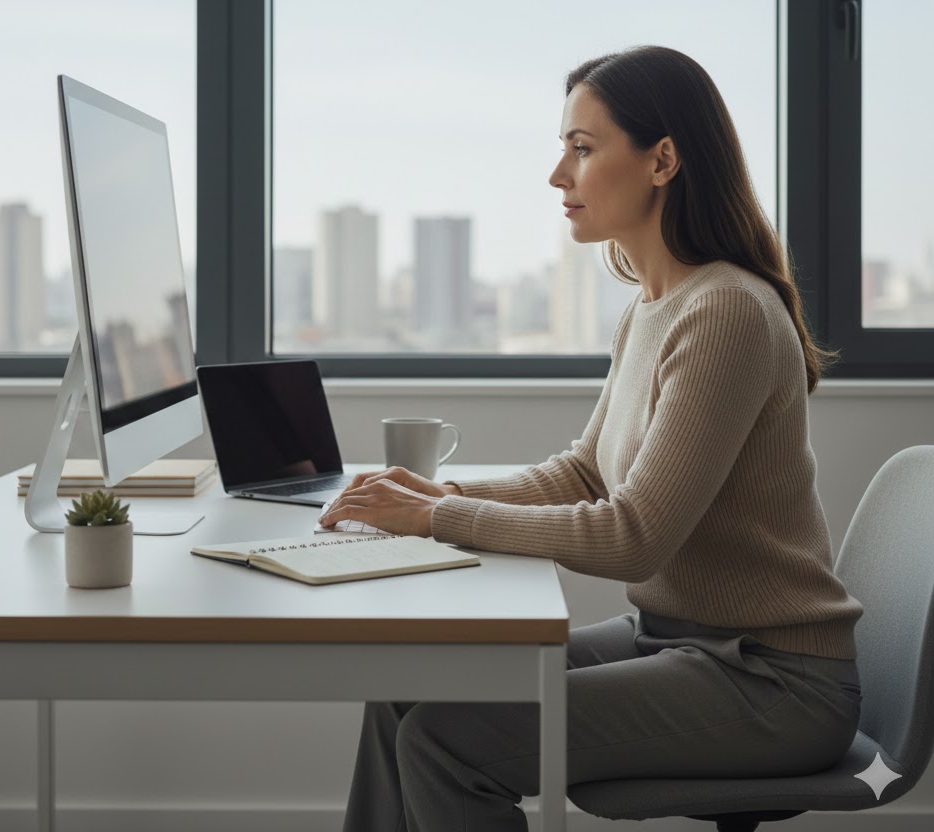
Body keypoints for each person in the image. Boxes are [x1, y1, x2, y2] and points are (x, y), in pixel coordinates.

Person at [319, 45, 865, 832]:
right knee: (408, 687)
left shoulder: (728, 314)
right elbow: (584, 473)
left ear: (662, 160)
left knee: (447, 743)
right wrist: (441, 494)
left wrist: (437, 519)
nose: (558, 174)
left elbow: (633, 536)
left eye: (582, 147)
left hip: (773, 681)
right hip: (674, 641)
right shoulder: (651, 307)